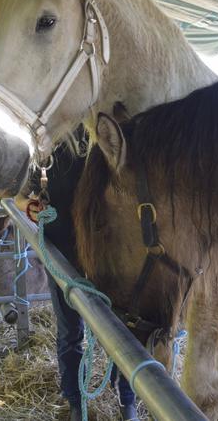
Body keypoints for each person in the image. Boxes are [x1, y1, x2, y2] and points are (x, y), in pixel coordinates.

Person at [43, 137, 138, 421]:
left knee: (119, 328)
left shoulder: (109, 138)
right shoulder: (53, 139)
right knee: (70, 330)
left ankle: (127, 401)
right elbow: (27, 192)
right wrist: (31, 204)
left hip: (108, 249)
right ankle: (75, 401)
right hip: (64, 247)